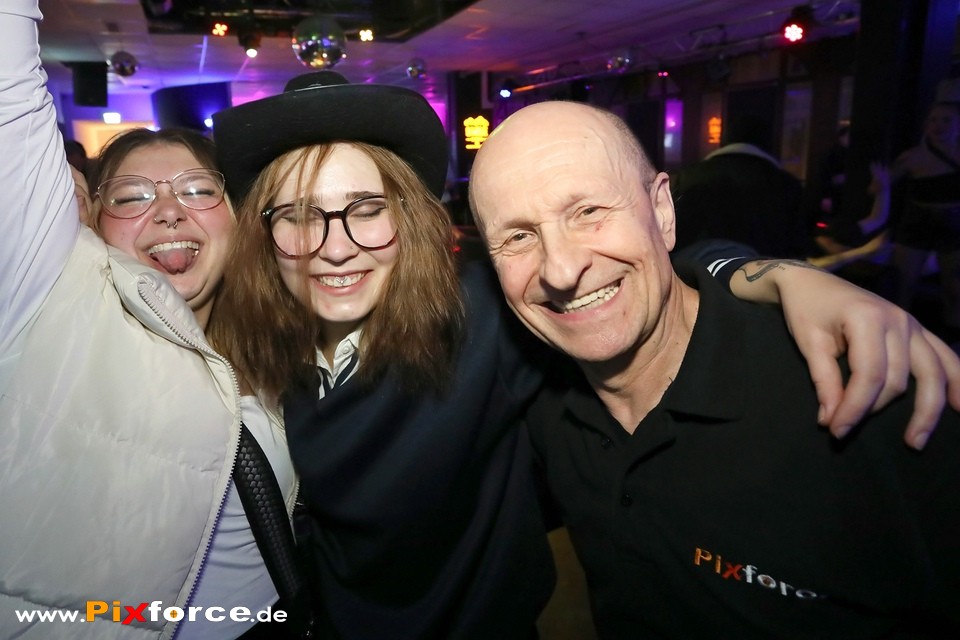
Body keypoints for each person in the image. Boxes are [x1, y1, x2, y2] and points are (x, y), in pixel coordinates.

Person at [209, 70, 960, 639]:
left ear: (411, 220)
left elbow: (655, 275)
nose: (334, 245)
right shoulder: (254, 352)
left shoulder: (481, 327)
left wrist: (775, 276)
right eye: (298, 216)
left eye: (366, 210)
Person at [468, 100, 960, 638]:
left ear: (662, 211)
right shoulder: (536, 396)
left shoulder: (867, 390)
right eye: (518, 237)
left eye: (588, 211)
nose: (562, 269)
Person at [0, 4, 294, 638]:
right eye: (132, 196)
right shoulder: (51, 318)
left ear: (237, 218)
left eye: (198, 190)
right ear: (91, 224)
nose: (167, 210)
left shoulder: (283, 347)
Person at [669, 112, 811, 259]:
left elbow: (675, 234)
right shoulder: (787, 185)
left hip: (697, 269)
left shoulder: (688, 176)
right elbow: (798, 246)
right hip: (765, 271)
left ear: (725, 139)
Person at [890, 101, 960, 342]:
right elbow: (882, 186)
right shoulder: (911, 157)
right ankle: (899, 337)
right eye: (933, 120)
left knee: (954, 289)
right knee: (904, 285)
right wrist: (878, 185)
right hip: (917, 223)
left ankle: (952, 342)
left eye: (946, 120)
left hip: (954, 225)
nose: (938, 125)